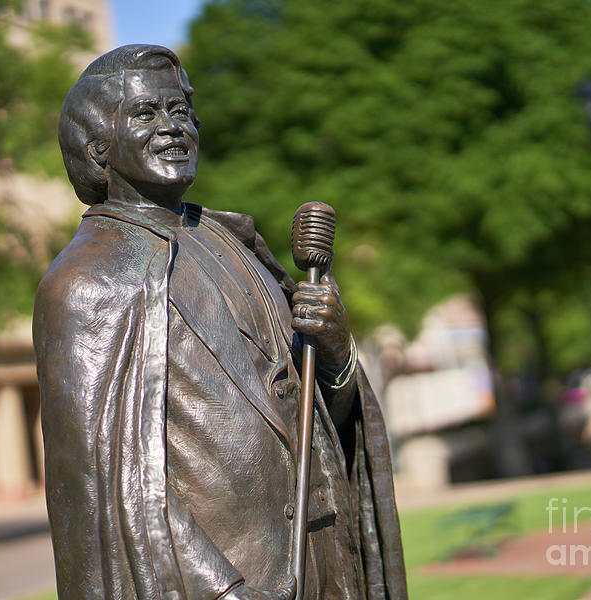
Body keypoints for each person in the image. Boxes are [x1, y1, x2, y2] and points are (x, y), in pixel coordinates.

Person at [33, 45, 406, 600]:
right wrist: (227, 593)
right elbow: (116, 493)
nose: (172, 127)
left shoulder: (236, 244)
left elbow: (315, 418)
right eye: (146, 114)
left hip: (325, 567)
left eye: (181, 112)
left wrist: (336, 357)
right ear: (97, 148)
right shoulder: (87, 283)